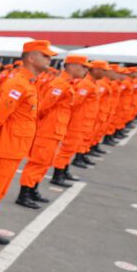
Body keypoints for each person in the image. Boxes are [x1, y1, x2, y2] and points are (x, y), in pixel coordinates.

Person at [0, 40, 55, 260]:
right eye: (45, 56)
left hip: (15, 147)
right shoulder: (18, 83)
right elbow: (0, 115)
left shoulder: (29, 82)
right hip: (5, 146)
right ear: (32, 58)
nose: (49, 60)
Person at [18, 55, 88, 203]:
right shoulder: (60, 84)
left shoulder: (66, 84)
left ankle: (33, 189)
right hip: (47, 130)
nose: (85, 70)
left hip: (55, 131)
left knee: (45, 162)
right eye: (83, 67)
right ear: (73, 66)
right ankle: (24, 194)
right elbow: (43, 107)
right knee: (37, 162)